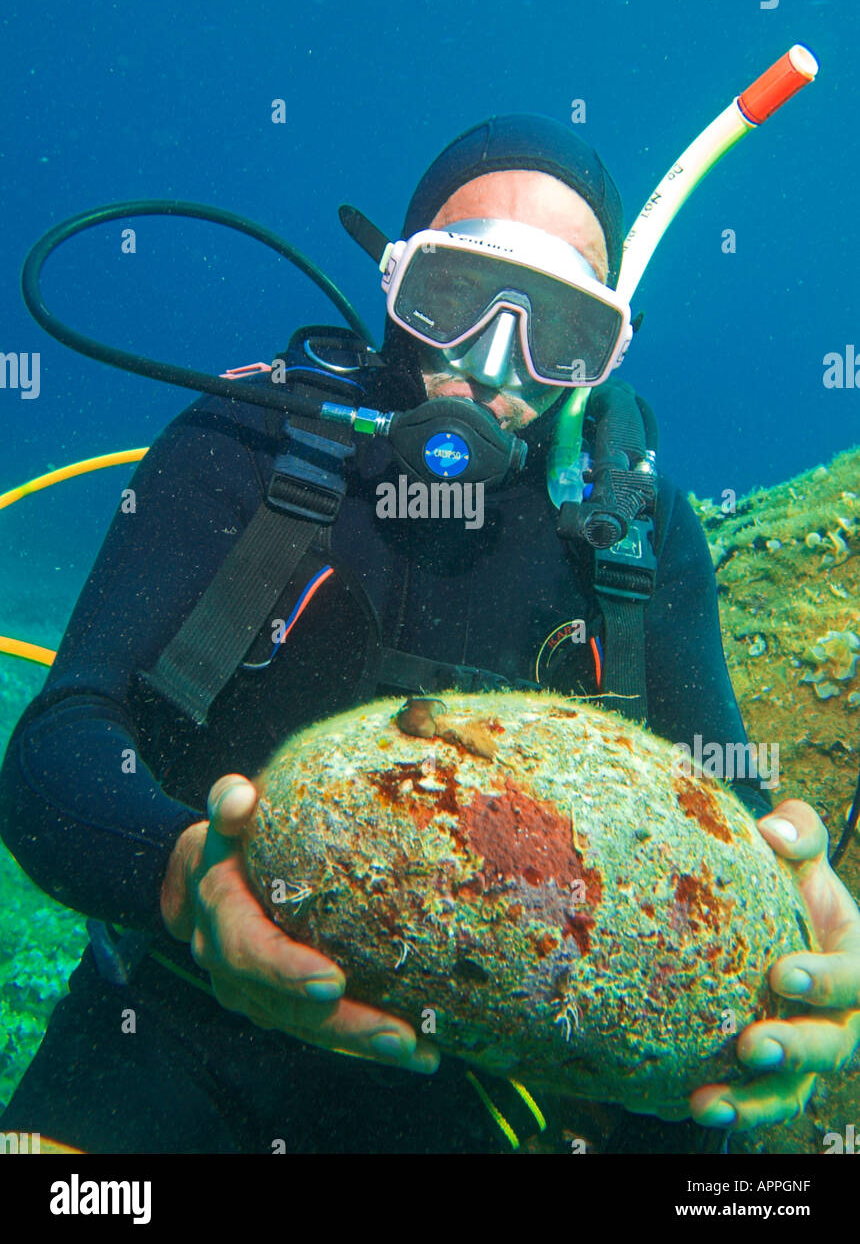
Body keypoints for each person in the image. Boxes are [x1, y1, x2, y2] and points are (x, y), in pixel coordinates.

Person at [1, 116, 857, 1154]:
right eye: (454, 296)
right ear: (395, 281)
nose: (495, 365)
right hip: (180, 1038)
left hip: (503, 1096)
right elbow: (61, 741)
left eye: (556, 327)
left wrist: (779, 905)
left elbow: (720, 798)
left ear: (601, 349)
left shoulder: (636, 528)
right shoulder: (247, 436)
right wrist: (179, 873)